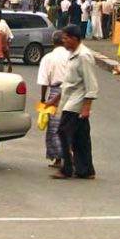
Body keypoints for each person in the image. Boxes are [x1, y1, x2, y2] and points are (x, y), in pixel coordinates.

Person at [45, 25, 98, 180]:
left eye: (66, 38)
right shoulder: (73, 55)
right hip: (70, 99)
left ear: (75, 39)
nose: (64, 41)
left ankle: (67, 168)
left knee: (63, 131)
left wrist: (87, 107)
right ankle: (86, 170)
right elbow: (69, 82)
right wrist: (54, 100)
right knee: (80, 137)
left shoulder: (84, 56)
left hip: (77, 102)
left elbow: (91, 83)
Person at [37, 30, 70, 168]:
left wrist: (44, 98)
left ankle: (58, 158)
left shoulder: (48, 58)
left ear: (53, 42)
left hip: (55, 91)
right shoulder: (71, 55)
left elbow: (44, 81)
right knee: (69, 124)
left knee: (54, 127)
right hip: (71, 92)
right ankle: (69, 155)